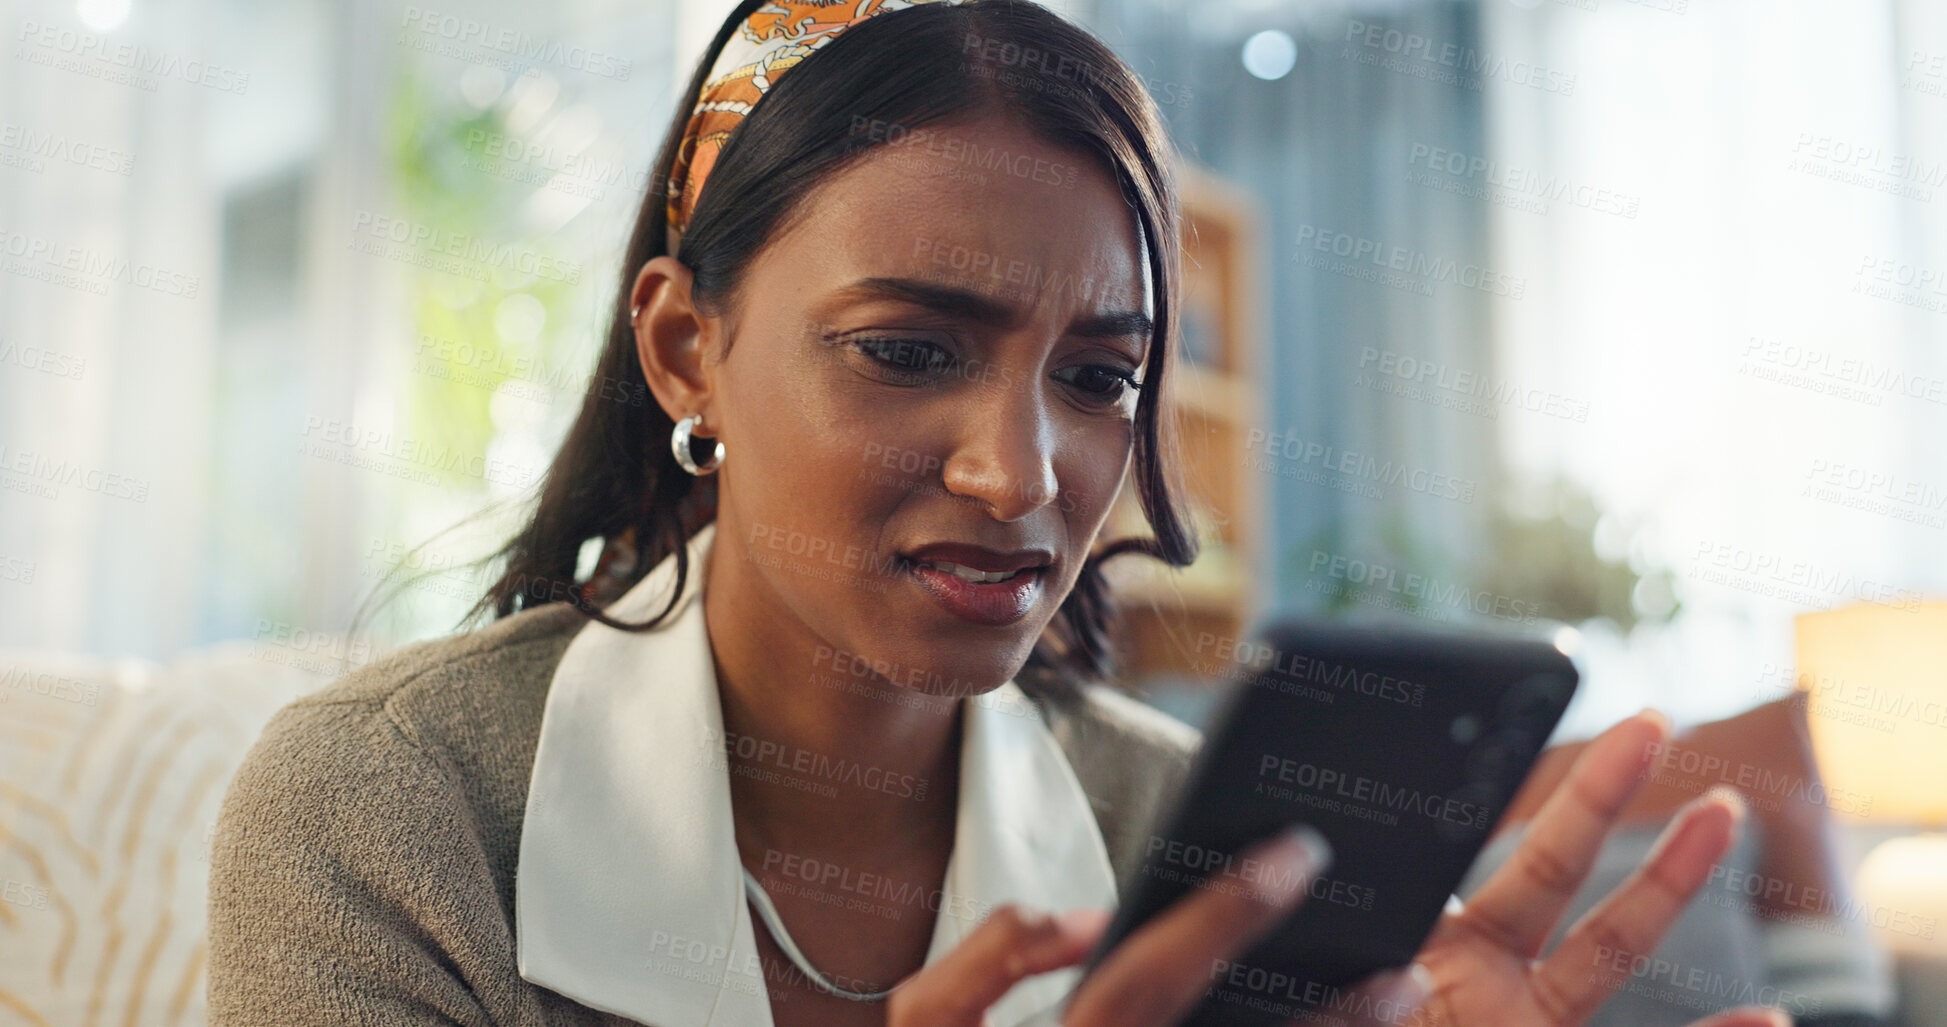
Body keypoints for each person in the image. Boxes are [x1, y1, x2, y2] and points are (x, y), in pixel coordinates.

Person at [206, 2, 1795, 1026]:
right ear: (687, 346)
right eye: (907, 351)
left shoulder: (1199, 839)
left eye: (1101, 378)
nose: (1023, 476)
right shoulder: (393, 814)